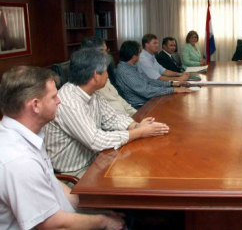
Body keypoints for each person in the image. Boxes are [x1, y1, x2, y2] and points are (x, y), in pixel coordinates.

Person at [0, 66, 126, 229]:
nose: (59, 100)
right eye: (53, 97)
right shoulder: (19, 160)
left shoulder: (25, 135)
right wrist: (104, 221)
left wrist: (94, 211)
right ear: (35, 105)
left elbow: (55, 187)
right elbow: (53, 225)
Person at [44, 48, 171, 179]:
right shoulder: (69, 102)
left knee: (143, 166)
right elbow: (96, 140)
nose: (108, 75)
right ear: (95, 75)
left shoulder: (92, 93)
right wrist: (139, 132)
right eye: (105, 71)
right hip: (75, 172)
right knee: (135, 179)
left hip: (97, 158)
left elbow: (112, 117)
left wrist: (137, 126)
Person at [116, 41, 193, 107]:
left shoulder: (133, 66)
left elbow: (149, 81)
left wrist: (172, 84)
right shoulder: (125, 71)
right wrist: (173, 90)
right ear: (134, 57)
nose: (140, 55)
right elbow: (146, 91)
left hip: (149, 100)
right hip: (141, 105)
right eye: (139, 53)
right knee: (179, 105)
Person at [81, 36, 137, 117]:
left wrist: (136, 115)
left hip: (125, 118)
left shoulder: (103, 74)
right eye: (105, 51)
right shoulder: (92, 83)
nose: (107, 54)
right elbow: (109, 117)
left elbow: (117, 98)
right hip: (119, 122)